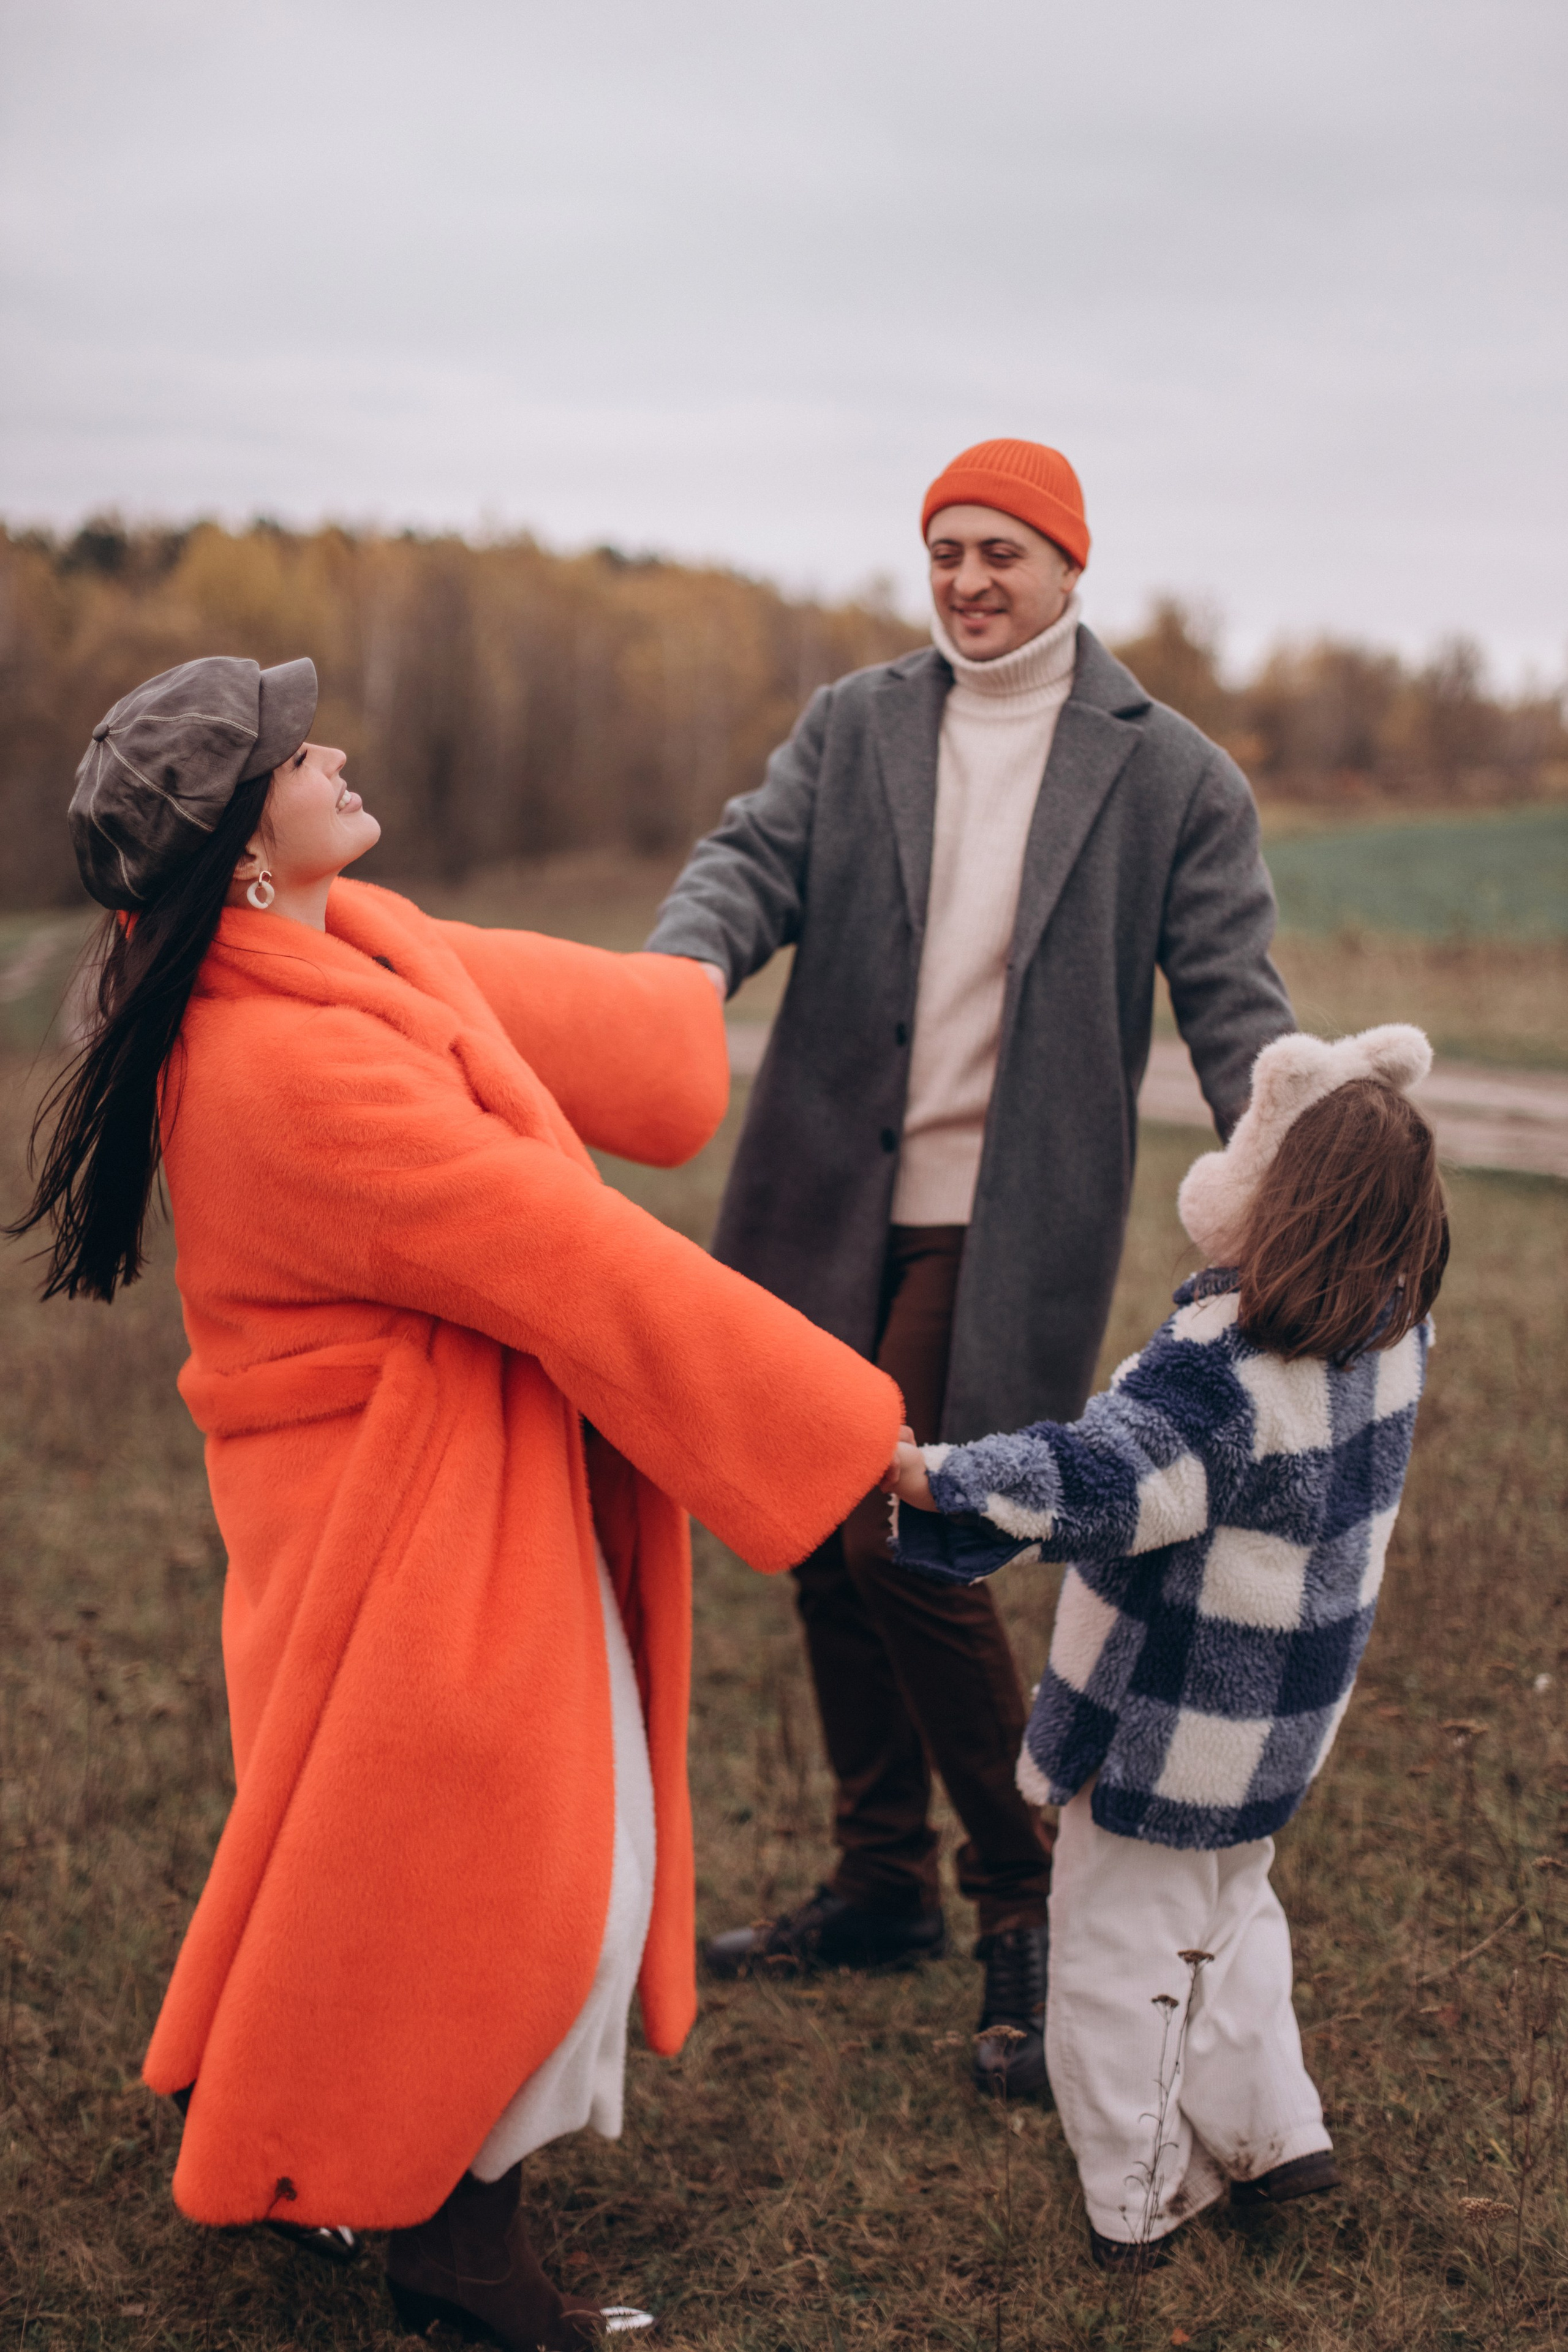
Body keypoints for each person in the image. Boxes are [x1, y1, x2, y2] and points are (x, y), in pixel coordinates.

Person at [12, 655, 903, 2349]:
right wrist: (857, 1439)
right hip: (403, 1532)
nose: (333, 745)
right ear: (240, 850)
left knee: (371, 1859)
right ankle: (459, 2252)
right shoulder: (282, 1070)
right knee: (529, 1884)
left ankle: (342, 2155)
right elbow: (575, 1261)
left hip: (431, 1494)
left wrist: (719, 942)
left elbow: (578, 1019)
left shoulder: (338, 940)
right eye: (292, 749)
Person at [644, 437, 1295, 2096]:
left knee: (905, 1529)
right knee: (810, 1521)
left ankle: (1026, 1903)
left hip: (1000, 1222)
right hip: (823, 1193)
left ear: (1074, 565)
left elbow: (1236, 1006)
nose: (968, 580)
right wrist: (672, 978)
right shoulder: (856, 724)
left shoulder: (1172, 778)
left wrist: (1300, 1170)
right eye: (945, 550)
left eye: (1003, 551)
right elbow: (746, 865)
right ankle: (882, 1884)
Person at [884, 1025, 1446, 2266]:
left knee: (1112, 1959)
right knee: (1230, 1914)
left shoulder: (1221, 1377)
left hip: (1161, 1730)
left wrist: (937, 1480)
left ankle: (1140, 2195)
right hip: (1273, 1736)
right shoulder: (1393, 1339)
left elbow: (1092, 1476)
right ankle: (1272, 2130)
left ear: (1272, 1197)